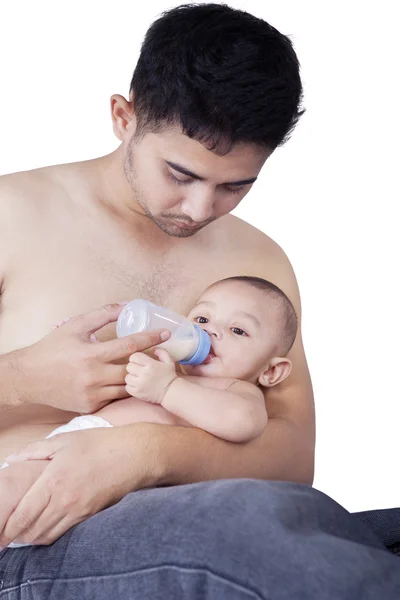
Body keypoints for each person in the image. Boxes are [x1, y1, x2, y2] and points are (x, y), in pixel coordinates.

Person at [0, 3, 398, 598]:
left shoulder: (260, 262)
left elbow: (292, 463)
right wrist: (25, 380)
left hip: (209, 523)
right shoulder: (13, 217)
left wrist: (142, 454)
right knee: (247, 532)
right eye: (180, 174)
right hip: (36, 537)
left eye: (236, 185)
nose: (199, 210)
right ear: (123, 116)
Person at [2, 274, 296, 549]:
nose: (210, 330)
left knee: (14, 490)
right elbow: (103, 395)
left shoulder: (234, 390)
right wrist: (91, 352)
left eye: (237, 330)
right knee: (13, 485)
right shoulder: (165, 370)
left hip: (101, 472)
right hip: (73, 442)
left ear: (271, 371)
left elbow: (243, 422)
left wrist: (167, 389)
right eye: (202, 318)